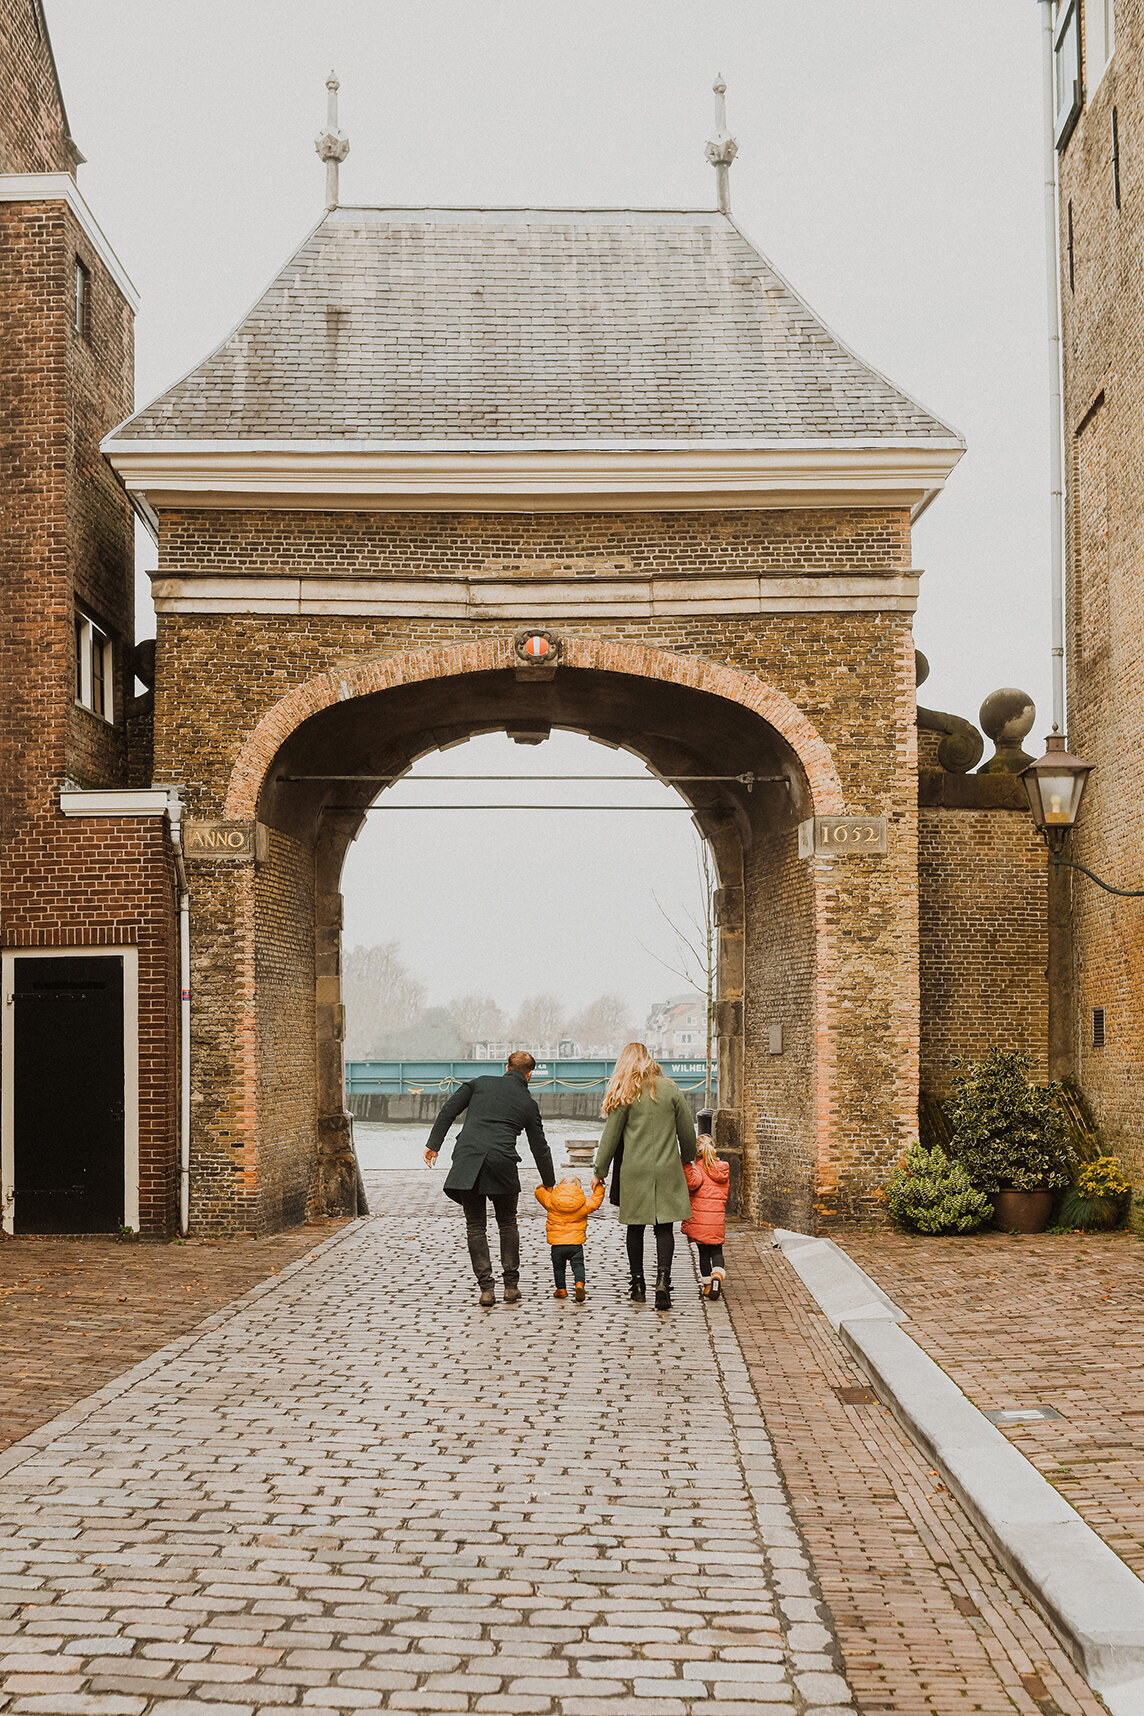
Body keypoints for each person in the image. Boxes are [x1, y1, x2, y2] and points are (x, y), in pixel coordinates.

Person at [425, 1050, 555, 1306]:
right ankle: (511, 1287)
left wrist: (434, 1144)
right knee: (507, 1223)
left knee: (476, 1226)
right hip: (502, 1163)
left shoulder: (479, 1083)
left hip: (468, 1159)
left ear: (506, 1067)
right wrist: (549, 1182)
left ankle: (486, 1289)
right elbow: (540, 1146)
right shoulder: (528, 1103)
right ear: (529, 1075)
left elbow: (448, 1111)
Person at [592, 1041, 696, 1311]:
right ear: (649, 1059)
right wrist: (688, 1158)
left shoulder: (626, 1093)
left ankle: (638, 1285)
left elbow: (610, 1138)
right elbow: (687, 1133)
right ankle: (663, 1279)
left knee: (635, 1228)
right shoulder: (670, 1089)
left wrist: (599, 1172)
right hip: (667, 1168)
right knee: (664, 1227)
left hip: (634, 1170)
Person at [535, 1174, 605, 1301]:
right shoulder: (583, 1204)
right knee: (578, 1265)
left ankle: (561, 1289)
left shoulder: (551, 1201)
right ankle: (579, 1284)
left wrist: (544, 1187)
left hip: (557, 1245)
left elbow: (540, 1194)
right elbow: (596, 1202)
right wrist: (599, 1186)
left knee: (558, 1268)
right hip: (575, 1245)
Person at [683, 1134, 731, 1300]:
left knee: (703, 1253)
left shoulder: (698, 1169)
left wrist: (686, 1165)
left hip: (700, 1221)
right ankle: (717, 1274)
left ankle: (707, 1286)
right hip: (717, 1220)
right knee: (717, 1251)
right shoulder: (723, 1168)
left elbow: (691, 1184)